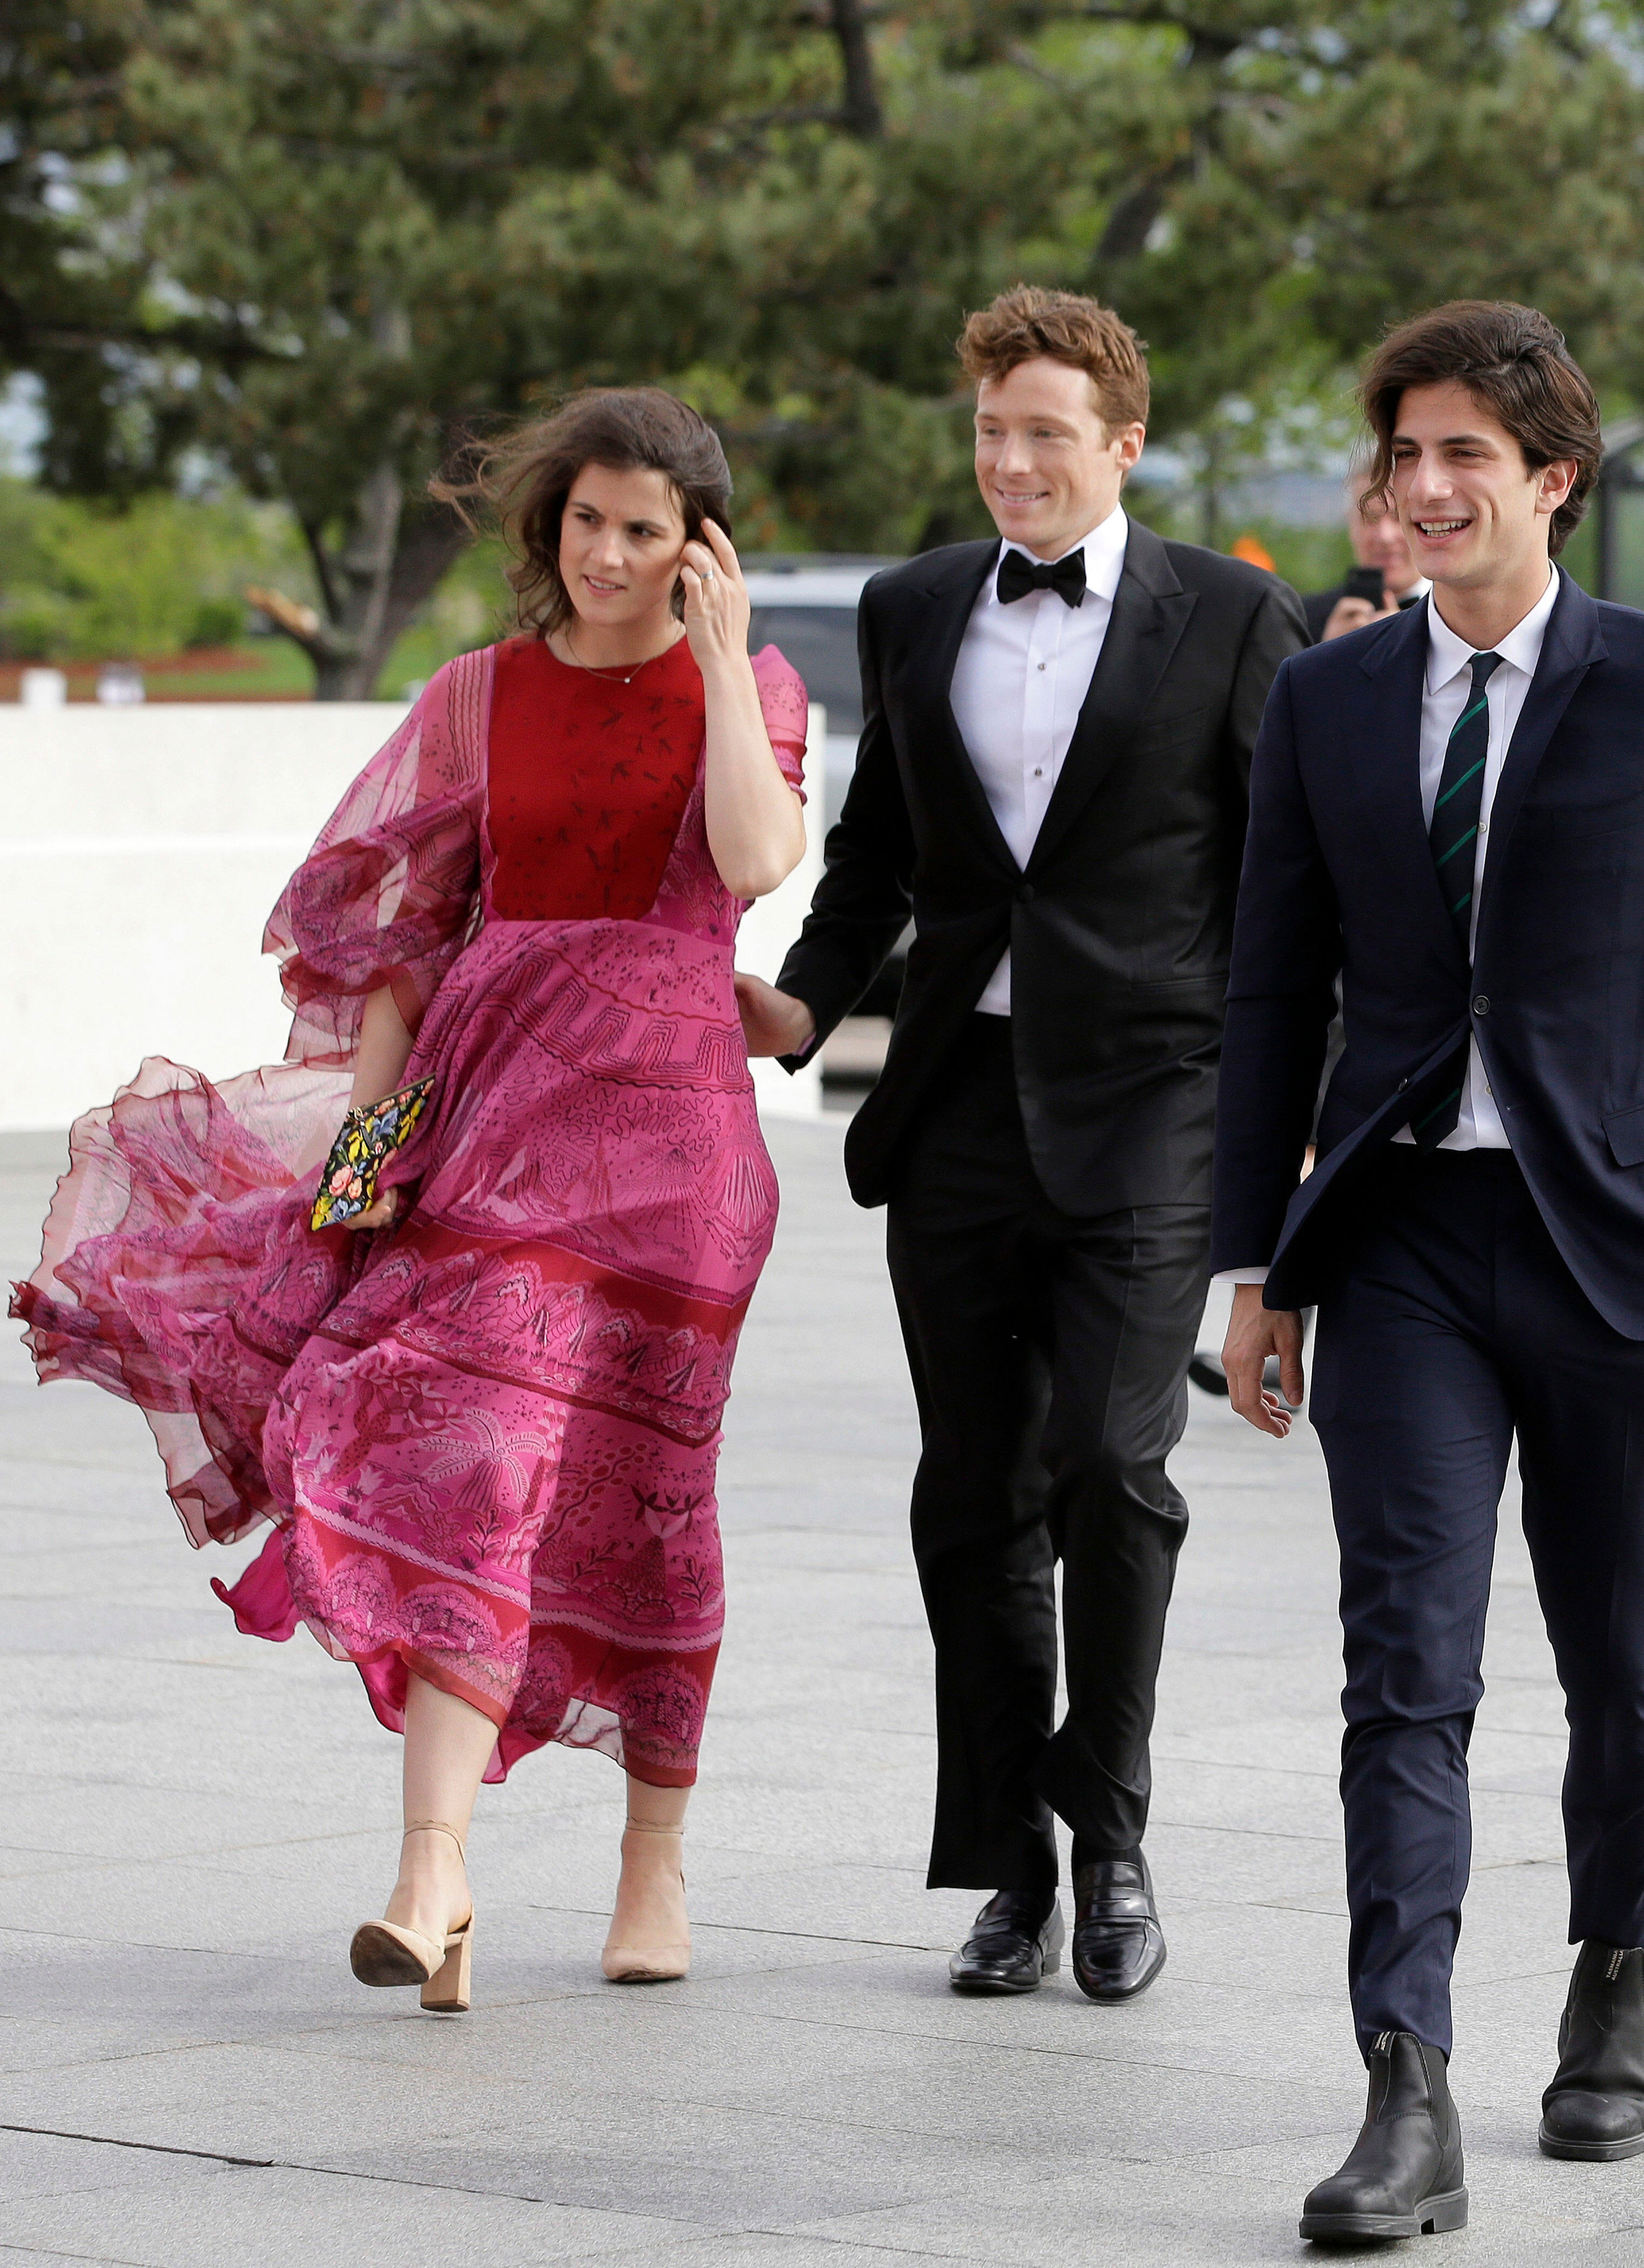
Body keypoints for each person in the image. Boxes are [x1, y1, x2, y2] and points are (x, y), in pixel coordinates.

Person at [12, 389, 809, 2011]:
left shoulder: (756, 687)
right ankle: (431, 1866)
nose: (606, 553)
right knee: (474, 1465)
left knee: (650, 1507)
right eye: (585, 521)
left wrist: (723, 661)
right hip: (491, 1134)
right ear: (551, 526)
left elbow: (752, 858)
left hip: (675, 1159)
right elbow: (395, 950)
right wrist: (361, 1169)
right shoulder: (474, 696)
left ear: (700, 547)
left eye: (645, 530)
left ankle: (652, 1856)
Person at [1211, 302, 1644, 2240]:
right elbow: (1269, 995)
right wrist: (1256, 1260)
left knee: (1616, 1669)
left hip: (1621, 1246)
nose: (1429, 485)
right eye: (1406, 453)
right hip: (1397, 1244)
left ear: (1551, 479)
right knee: (1404, 1668)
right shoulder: (1325, 698)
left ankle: (1609, 1979)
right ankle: (1407, 2086)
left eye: (1469, 451)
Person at [736, 285, 1308, 2003]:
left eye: (1047, 431)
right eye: (991, 431)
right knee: (971, 1497)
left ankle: (1114, 1830)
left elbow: (1295, 886)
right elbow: (878, 854)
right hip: (958, 1117)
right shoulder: (914, 607)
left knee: (1114, 1473)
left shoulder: (1231, 615)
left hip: (1154, 1110)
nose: (1011, 461)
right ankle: (1014, 1859)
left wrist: (1297, 1151)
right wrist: (806, 998)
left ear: (1123, 442)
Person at [1303, 483, 1433, 642]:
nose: (1385, 536)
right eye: (1370, 518)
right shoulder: (1304, 618)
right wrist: (1327, 654)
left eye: (1398, 517)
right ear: (1351, 526)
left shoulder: (1458, 616)